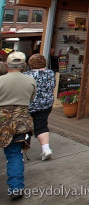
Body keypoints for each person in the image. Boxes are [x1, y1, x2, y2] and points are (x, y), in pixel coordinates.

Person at [0, 51, 37, 200]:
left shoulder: (0, 80)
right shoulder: (30, 81)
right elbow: (32, 99)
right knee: (15, 155)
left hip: (1, 120)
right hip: (20, 122)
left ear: (6, 64)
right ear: (22, 65)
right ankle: (15, 188)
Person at [25, 54, 56, 161]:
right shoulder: (50, 73)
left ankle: (20, 153)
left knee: (25, 128)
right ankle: (46, 148)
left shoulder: (27, 75)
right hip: (46, 104)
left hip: (29, 105)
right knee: (42, 125)